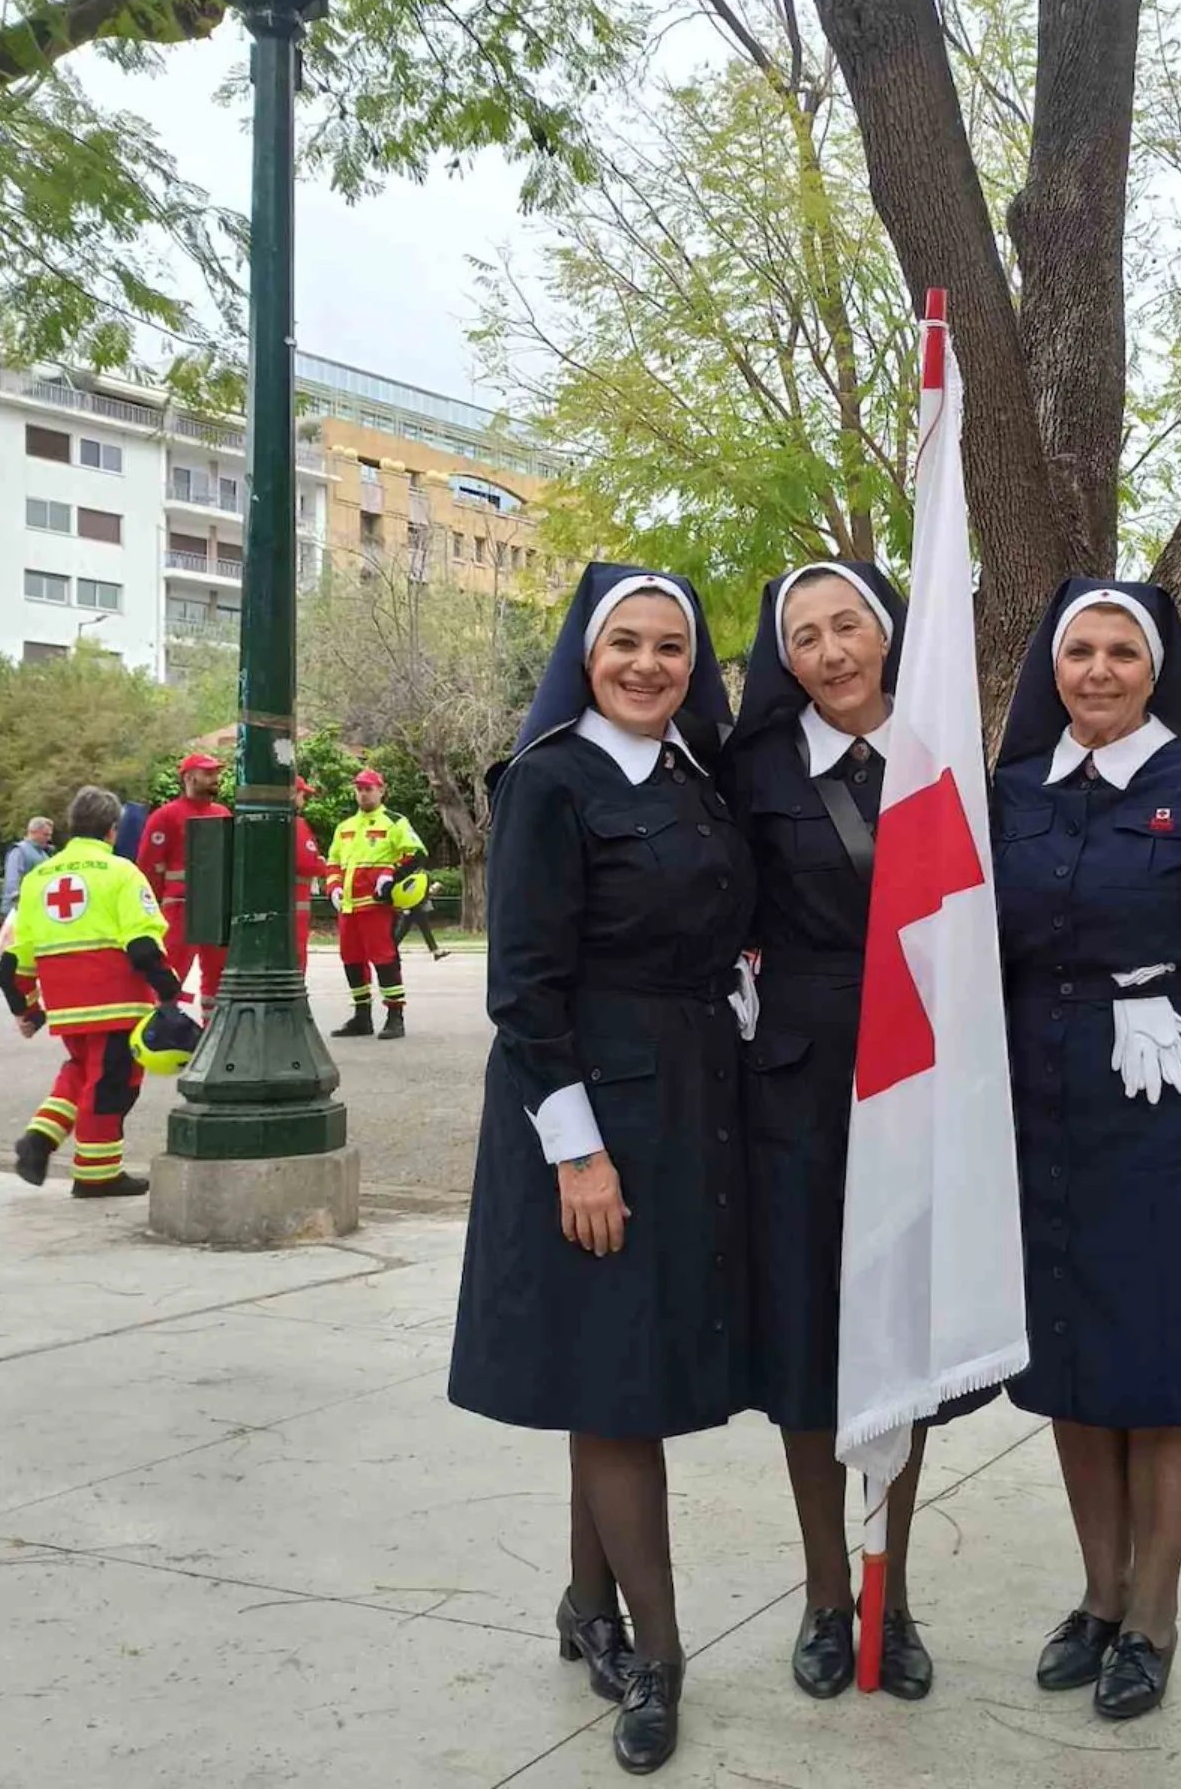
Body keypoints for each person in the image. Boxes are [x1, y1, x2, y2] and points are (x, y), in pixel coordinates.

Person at [449, 564, 754, 1777]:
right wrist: (576, 1151)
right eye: (623, 644)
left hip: (689, 1101)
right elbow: (523, 989)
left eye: (669, 648)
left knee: (614, 1370)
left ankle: (589, 1609)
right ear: (585, 653)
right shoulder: (550, 781)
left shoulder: (689, 777)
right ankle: (659, 1660)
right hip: (588, 1115)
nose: (646, 666)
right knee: (622, 1381)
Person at [992, 580, 1181, 1723]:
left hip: (1172, 1105)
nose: (1101, 670)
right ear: (1052, 668)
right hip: (1040, 1097)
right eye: (1080, 651)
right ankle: (1098, 1595)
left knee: (1167, 1362)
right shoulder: (1014, 790)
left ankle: (1153, 1613)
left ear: (1158, 669)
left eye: (1124, 651)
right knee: (1073, 1356)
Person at [723, 560, 979, 1702]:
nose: (830, 653)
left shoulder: (945, 758)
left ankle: (893, 1593)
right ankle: (828, 1595)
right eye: (805, 636)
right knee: (811, 1347)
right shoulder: (755, 771)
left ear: (887, 636)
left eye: (849, 628)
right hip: (798, 1083)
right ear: (785, 661)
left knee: (900, 1344)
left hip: (920, 1070)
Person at [0, 785, 187, 1197]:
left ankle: (39, 1140)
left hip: (67, 1006)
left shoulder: (39, 878)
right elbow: (142, 945)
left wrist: (28, 1009)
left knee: (82, 1072)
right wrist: (170, 992)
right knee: (111, 1086)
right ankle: (97, 1174)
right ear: (113, 830)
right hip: (116, 1001)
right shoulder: (121, 873)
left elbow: (15, 959)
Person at [325, 769, 426, 1039]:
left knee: (384, 960)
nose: (363, 793)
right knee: (351, 960)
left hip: (377, 906)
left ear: (382, 790)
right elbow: (333, 862)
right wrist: (333, 887)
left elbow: (416, 853)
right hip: (348, 908)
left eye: (369, 788)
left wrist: (391, 873)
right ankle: (361, 1017)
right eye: (359, 788)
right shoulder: (344, 827)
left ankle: (395, 1016)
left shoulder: (395, 822)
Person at [136, 753, 231, 1021]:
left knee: (218, 974)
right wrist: (151, 910)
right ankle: (161, 1031)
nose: (216, 779)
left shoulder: (222, 814)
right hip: (179, 908)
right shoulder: (165, 816)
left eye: (216, 773)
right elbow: (147, 867)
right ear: (189, 778)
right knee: (170, 970)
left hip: (215, 907)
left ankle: (213, 1031)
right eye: (208, 773)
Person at [292, 777, 327, 975]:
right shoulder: (297, 825)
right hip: (297, 901)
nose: (303, 800)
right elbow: (308, 863)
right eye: (302, 795)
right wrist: (322, 864)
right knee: (297, 953)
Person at [1, 817, 54, 916]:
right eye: (45, 834)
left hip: (37, 908)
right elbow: (12, 879)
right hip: (19, 909)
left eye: (49, 835)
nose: (48, 838)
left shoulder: (44, 854)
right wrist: (17, 902)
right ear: (33, 832)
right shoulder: (19, 850)